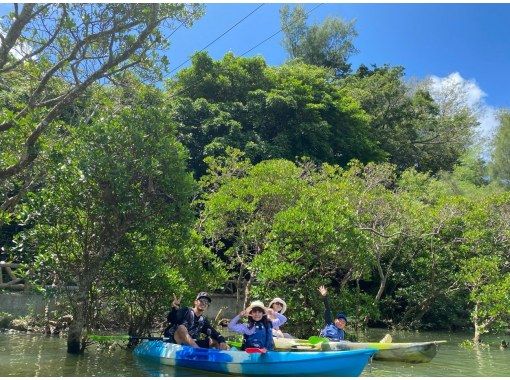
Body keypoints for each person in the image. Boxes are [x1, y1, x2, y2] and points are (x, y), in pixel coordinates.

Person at [163, 291, 229, 350]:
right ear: (195, 302)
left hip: (190, 344)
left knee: (215, 341)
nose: (204, 303)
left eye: (206, 302)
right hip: (175, 342)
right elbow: (171, 319)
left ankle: (219, 358)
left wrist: (222, 340)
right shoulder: (185, 311)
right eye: (201, 301)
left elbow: (214, 333)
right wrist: (174, 308)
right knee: (182, 328)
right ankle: (198, 350)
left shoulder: (203, 320)